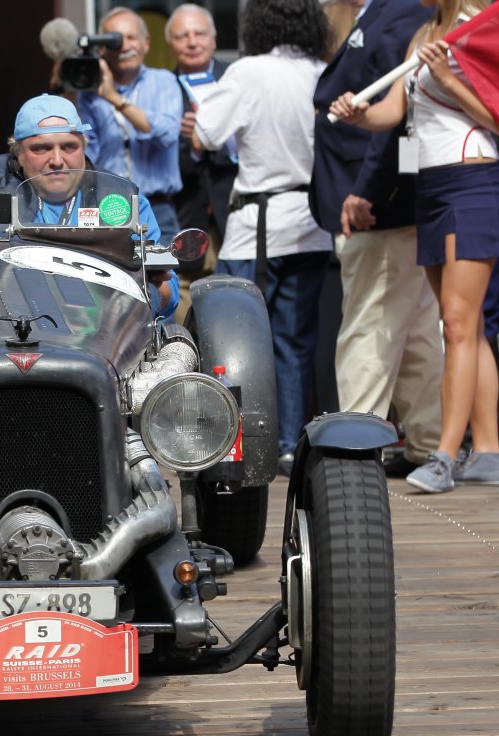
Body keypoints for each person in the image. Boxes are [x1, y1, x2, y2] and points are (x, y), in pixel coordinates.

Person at [330, 0, 499, 495]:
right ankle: (488, 452)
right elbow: (396, 112)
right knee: (467, 327)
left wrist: (449, 80)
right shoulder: (425, 31)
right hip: (431, 188)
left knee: (456, 324)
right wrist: (359, 114)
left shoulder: (476, 29)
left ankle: (444, 456)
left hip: (471, 180)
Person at [0, 4, 178, 317]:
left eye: (69, 146)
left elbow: (169, 294)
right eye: (42, 148)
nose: (58, 159)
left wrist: (143, 287)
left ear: (84, 146)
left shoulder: (120, 198)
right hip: (8, 325)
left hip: (96, 331)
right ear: (17, 151)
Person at [194, 0, 333, 470]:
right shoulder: (321, 72)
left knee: (230, 340)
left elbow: (206, 135)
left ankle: (231, 446)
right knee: (295, 343)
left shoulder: (247, 72)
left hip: (255, 228)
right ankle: (290, 445)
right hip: (310, 224)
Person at [310, 0, 444, 479]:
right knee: (414, 331)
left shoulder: (402, 15)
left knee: (370, 326)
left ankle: (355, 448)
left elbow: (403, 117)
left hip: (375, 205)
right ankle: (429, 441)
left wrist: (378, 190)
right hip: (379, 201)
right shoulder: (385, 12)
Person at [67, 7, 183, 240]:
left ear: (146, 43)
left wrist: (114, 98)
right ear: (102, 49)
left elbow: (167, 134)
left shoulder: (164, 81)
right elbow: (85, 156)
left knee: (160, 264)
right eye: (116, 40)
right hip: (106, 205)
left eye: (131, 38)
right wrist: (68, 94)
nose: (125, 46)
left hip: (157, 207)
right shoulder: (90, 94)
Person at [166, 4, 237, 251]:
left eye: (200, 34)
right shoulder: (163, 88)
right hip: (186, 213)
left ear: (214, 40)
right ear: (170, 46)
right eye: (182, 36)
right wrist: (195, 149)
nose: (192, 42)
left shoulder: (236, 79)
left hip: (236, 209)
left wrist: (213, 133)